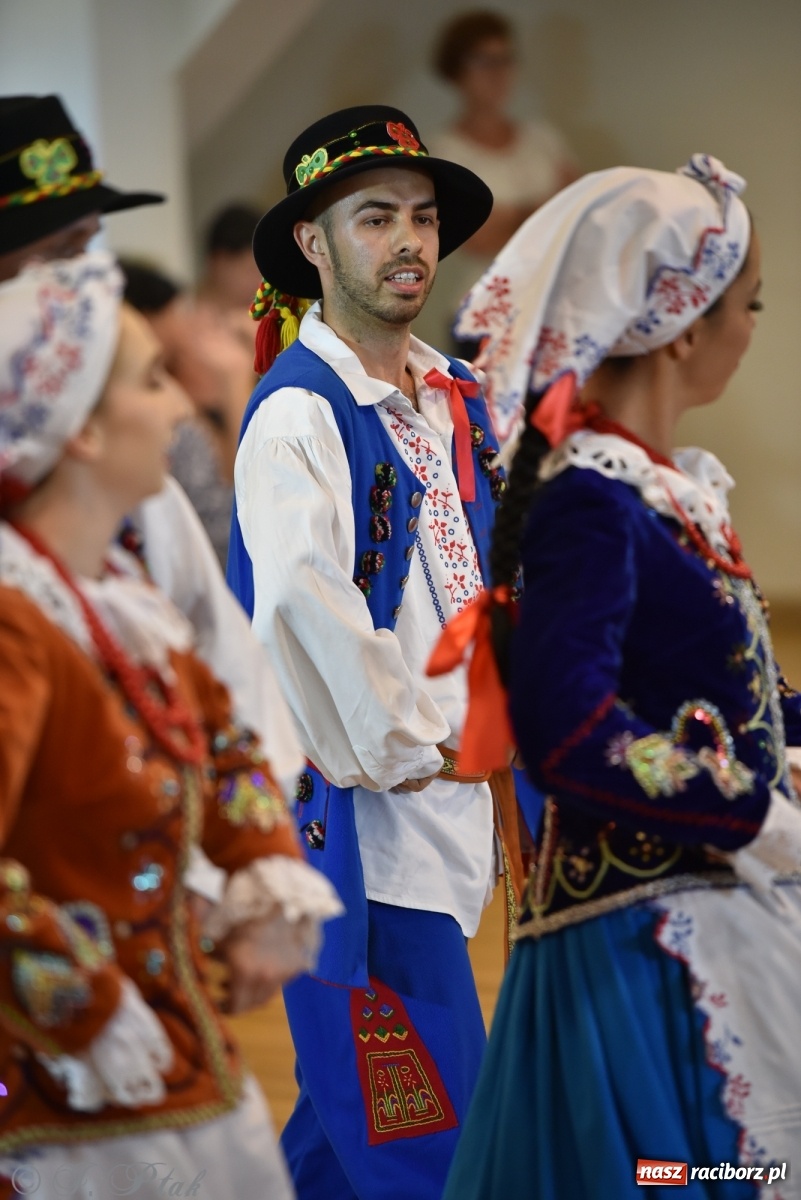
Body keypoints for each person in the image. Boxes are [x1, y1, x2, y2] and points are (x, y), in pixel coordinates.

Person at [434, 156, 801, 1198]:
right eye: (753, 303)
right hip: (641, 942)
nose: (752, 327)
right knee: (671, 1172)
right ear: (686, 324)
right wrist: (743, 812)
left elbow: (715, 686)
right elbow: (568, 728)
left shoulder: (663, 487)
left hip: (703, 903)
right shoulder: (592, 499)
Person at [226, 104, 525, 1199]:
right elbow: (306, 614)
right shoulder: (300, 417)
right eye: (373, 218)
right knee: (430, 1140)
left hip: (451, 809)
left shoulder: (449, 395)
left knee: (350, 1128)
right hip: (366, 825)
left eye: (421, 216)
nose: (408, 241)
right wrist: (432, 749)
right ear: (314, 244)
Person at [0, 251, 342, 1199]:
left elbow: (217, 735)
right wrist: (91, 1008)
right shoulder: (16, 625)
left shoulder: (110, 598)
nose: (182, 409)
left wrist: (265, 874)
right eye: (152, 382)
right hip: (63, 1089)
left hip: (172, 1055)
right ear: (76, 431)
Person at [0, 93, 304, 800]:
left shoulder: (142, 492)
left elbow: (226, 665)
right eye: (56, 257)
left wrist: (255, 850)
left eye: (88, 248)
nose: (86, 285)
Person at [427, 11, 578, 359]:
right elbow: (478, 239)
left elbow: (581, 215)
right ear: (456, 72)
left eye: (505, 59)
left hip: (556, 310)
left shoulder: (544, 138)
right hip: (486, 317)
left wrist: (511, 217)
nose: (498, 73)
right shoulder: (444, 151)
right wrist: (550, 208)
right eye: (483, 61)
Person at [121, 260, 253, 568]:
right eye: (182, 314)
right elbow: (236, 529)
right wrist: (234, 380)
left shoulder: (196, 411)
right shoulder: (174, 428)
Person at [197, 202, 264, 352]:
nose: (259, 282)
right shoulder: (185, 324)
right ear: (220, 262)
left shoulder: (261, 323)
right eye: (250, 270)